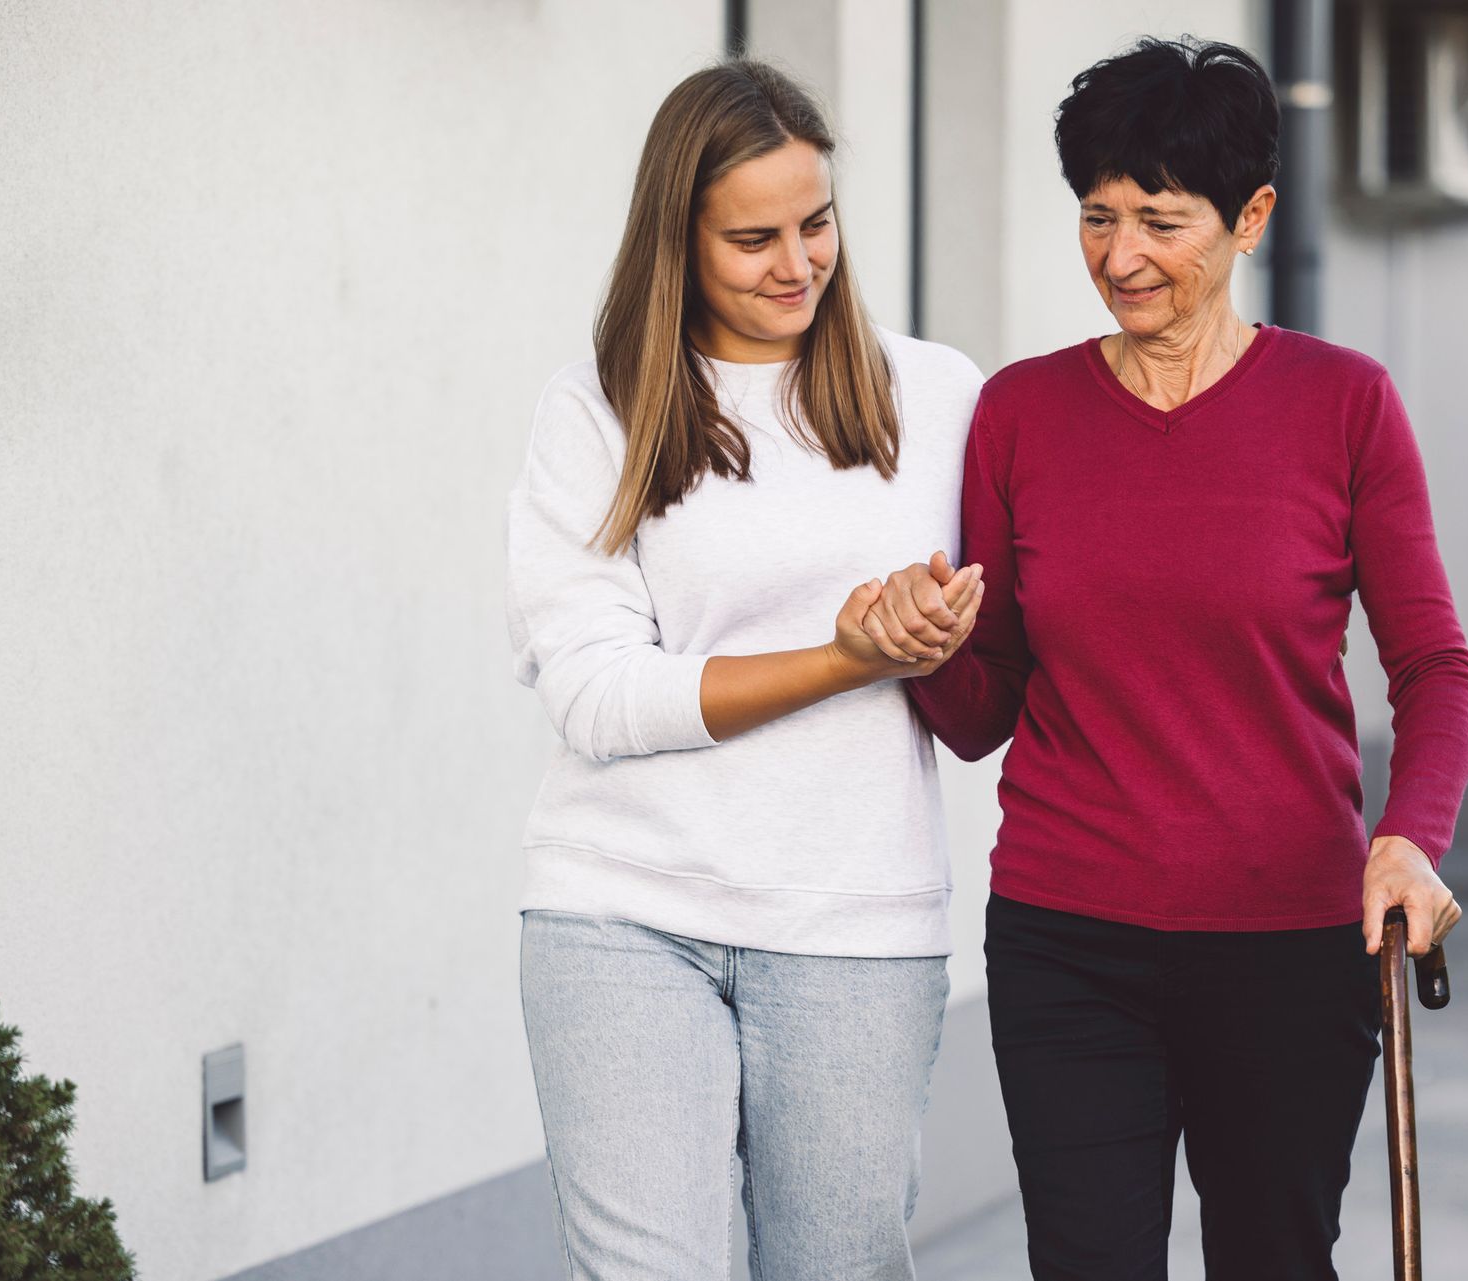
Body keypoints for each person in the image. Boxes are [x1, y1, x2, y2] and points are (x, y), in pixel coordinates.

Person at [863, 37, 1468, 1281]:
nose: (1121, 257)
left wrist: (1411, 838)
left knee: (1274, 1259)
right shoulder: (1024, 414)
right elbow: (984, 707)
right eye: (1097, 217)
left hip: (1293, 944)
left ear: (1252, 216)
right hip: (1067, 941)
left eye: (1161, 220)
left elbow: (1434, 668)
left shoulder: (1343, 405)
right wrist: (913, 648)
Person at [504, 59, 986, 1280]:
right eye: (752, 238)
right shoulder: (598, 411)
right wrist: (845, 656)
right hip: (624, 912)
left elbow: (1017, 647)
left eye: (816, 224)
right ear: (679, 241)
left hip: (856, 921)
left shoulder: (937, 398)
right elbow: (599, 697)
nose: (797, 265)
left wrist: (946, 633)